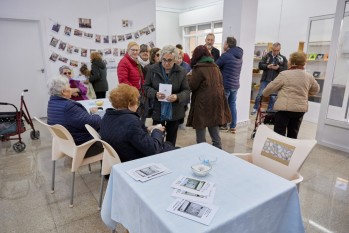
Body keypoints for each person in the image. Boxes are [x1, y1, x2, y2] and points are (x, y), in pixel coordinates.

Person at [99, 84, 175, 162]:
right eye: (137, 102)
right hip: (135, 159)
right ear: (129, 103)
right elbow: (153, 149)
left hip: (120, 155)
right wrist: (157, 131)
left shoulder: (108, 116)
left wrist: (147, 129)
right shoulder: (131, 121)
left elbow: (126, 133)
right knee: (174, 149)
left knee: (169, 145)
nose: (138, 104)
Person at [263, 52, 320, 139]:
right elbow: (316, 90)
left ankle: (278, 152)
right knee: (293, 135)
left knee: (279, 135)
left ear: (292, 62)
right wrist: (304, 92)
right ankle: (290, 152)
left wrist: (266, 93)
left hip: (284, 110)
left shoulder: (284, 74)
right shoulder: (309, 76)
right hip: (299, 110)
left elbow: (267, 91)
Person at [143, 45, 190, 146]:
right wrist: (155, 94)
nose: (166, 63)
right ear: (160, 58)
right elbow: (146, 87)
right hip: (157, 109)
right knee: (156, 137)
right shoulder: (152, 70)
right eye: (164, 60)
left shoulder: (181, 71)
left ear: (175, 60)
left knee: (171, 140)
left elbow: (186, 91)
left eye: (170, 60)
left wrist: (177, 97)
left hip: (175, 111)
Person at [186, 45, 231, 149]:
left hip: (202, 103)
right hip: (216, 103)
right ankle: (218, 153)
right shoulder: (216, 67)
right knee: (215, 132)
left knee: (201, 131)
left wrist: (188, 76)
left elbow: (192, 86)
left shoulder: (198, 68)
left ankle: (203, 154)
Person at [47, 75, 103, 157]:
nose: (71, 89)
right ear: (63, 91)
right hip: (83, 146)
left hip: (66, 145)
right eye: (69, 87)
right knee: (112, 132)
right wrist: (96, 114)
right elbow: (93, 123)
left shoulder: (52, 103)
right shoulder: (68, 107)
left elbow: (76, 120)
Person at [216, 36, 243, 133]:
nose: (224, 45)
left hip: (226, 85)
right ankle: (233, 126)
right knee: (232, 105)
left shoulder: (226, 55)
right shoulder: (239, 56)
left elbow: (215, 65)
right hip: (235, 85)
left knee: (223, 105)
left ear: (227, 45)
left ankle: (223, 125)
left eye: (224, 43)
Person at [251, 42, 288, 114]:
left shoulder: (283, 58)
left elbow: (285, 69)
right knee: (260, 95)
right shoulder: (266, 56)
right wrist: (267, 66)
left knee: (273, 97)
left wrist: (278, 68)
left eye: (277, 50)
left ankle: (270, 110)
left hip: (275, 81)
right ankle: (255, 108)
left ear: (280, 49)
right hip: (265, 79)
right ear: (272, 49)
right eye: (274, 50)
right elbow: (260, 65)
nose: (276, 52)